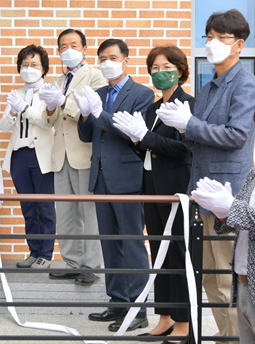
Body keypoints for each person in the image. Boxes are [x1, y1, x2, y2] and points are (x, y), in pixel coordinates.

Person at [157, 9, 255, 343]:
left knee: (228, 278)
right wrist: (178, 125)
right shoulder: (209, 85)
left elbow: (237, 135)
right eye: (208, 37)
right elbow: (195, 136)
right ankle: (226, 335)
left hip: (227, 195)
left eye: (219, 37)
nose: (212, 43)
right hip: (201, 191)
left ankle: (236, 337)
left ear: (239, 44)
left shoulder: (245, 83)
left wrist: (190, 124)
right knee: (211, 279)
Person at [112, 45, 193, 340]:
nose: (160, 73)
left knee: (177, 255)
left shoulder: (189, 105)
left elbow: (185, 150)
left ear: (181, 71)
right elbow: (148, 150)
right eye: (155, 69)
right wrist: (137, 140)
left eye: (167, 68)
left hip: (176, 189)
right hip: (151, 187)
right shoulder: (151, 109)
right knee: (158, 251)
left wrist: (146, 137)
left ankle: (184, 324)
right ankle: (164, 318)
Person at [74, 38, 154, 332]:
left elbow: (129, 132)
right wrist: (85, 114)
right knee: (109, 242)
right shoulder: (98, 92)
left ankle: (138, 309)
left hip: (127, 178)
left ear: (126, 60)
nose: (106, 62)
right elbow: (86, 135)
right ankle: (117, 302)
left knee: (131, 243)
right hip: (101, 177)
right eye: (102, 58)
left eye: (112, 57)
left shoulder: (142, 94)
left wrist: (98, 113)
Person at [39, 28, 107, 284]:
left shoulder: (96, 77)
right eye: (63, 46)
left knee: (88, 212)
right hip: (61, 155)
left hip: (85, 153)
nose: (68, 50)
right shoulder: (57, 81)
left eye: (74, 45)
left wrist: (63, 103)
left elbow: (92, 113)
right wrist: (49, 106)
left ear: (85, 49)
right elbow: (50, 120)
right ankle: (72, 262)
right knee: (65, 212)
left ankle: (91, 265)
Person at [0, 44, 56, 270]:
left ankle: (46, 254)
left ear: (43, 69)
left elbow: (45, 121)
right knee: (28, 206)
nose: (28, 69)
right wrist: (13, 111)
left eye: (34, 64)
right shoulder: (17, 94)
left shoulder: (49, 92)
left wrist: (24, 109)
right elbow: (3, 126)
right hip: (18, 155)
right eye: (24, 64)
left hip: (40, 155)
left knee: (45, 206)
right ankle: (33, 251)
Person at [192, 173, 255, 343]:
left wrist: (231, 206)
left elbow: (241, 212)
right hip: (243, 282)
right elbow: (237, 221)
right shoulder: (252, 175)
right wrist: (222, 213)